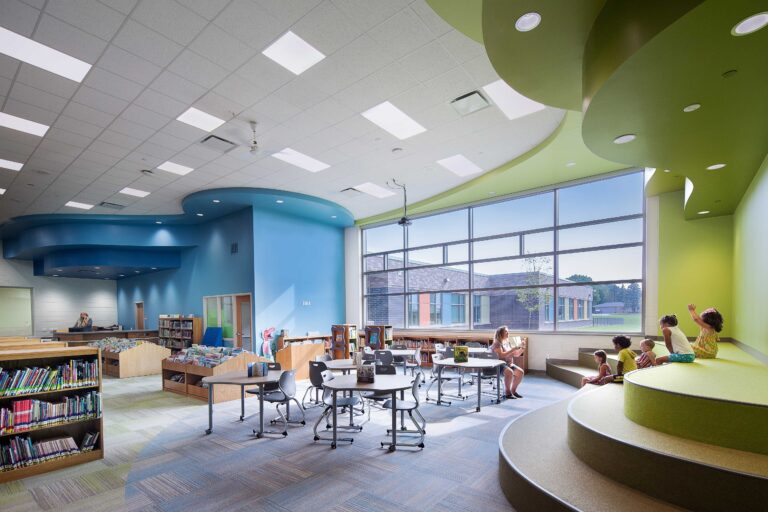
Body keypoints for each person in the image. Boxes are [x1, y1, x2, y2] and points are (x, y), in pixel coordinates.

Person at [491, 325, 525, 399]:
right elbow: (501, 356)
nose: (508, 333)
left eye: (508, 331)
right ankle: (508, 393)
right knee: (509, 372)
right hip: (499, 365)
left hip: (508, 364)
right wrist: (513, 349)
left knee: (520, 372)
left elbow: (516, 354)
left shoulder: (507, 343)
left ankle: (513, 391)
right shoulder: (497, 343)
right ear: (500, 334)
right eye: (506, 331)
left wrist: (522, 348)